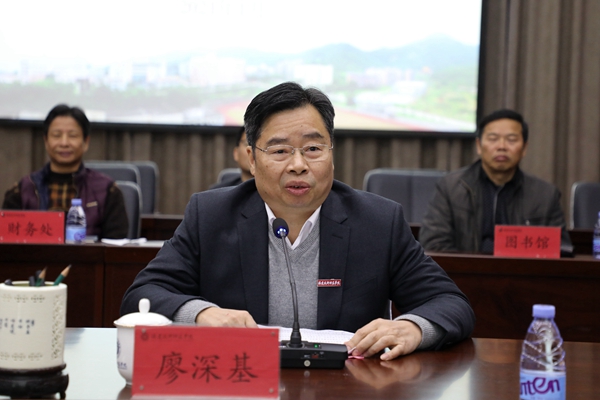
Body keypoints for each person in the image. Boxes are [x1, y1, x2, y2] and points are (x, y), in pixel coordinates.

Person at [121, 82, 475, 360]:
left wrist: (412, 328)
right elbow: (142, 295)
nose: (298, 165)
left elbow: (451, 304)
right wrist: (202, 315)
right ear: (252, 160)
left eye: (313, 149)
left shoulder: (378, 222)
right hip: (241, 381)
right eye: (279, 151)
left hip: (345, 387)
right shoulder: (211, 216)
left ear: (332, 154)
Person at [419, 109, 573, 254]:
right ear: (479, 146)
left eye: (511, 140)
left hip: (522, 273)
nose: (501, 146)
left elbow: (560, 249)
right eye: (493, 139)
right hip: (464, 273)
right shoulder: (450, 188)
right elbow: (433, 244)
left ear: (524, 148)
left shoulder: (545, 195)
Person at [2, 104, 129, 239]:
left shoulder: (107, 191)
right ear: (46, 141)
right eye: (56, 135)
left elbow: (116, 245)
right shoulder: (22, 191)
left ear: (86, 142)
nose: (64, 143)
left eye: (72, 136)